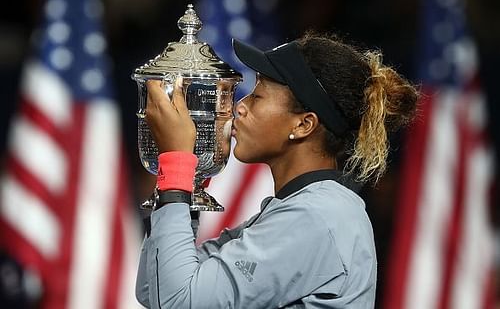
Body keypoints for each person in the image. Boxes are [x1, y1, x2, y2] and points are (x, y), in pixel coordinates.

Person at [135, 32, 419, 308]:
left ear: (303, 124)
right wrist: (190, 183)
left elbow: (176, 300)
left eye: (257, 96)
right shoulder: (303, 209)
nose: (240, 108)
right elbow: (154, 288)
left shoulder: (317, 217)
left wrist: (177, 164)